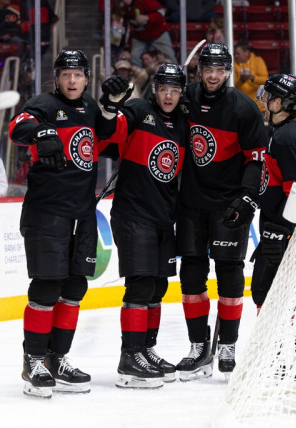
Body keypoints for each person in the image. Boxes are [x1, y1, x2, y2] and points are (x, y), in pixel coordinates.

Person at [7, 49, 127, 397]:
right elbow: (18, 126)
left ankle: (58, 358)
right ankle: (34, 361)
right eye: (66, 74)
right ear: (56, 78)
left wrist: (110, 104)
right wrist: (40, 131)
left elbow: (107, 133)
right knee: (47, 285)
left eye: (78, 74)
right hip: (47, 212)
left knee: (74, 288)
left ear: (86, 78)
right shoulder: (43, 103)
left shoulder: (90, 107)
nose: (72, 80)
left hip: (83, 212)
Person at [176, 43, 268, 381]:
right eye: (208, 69)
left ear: (228, 72)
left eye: (220, 69)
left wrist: (247, 199)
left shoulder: (244, 109)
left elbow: (257, 160)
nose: (213, 76)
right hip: (190, 203)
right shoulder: (184, 99)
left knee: (230, 272)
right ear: (200, 70)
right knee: (191, 275)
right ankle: (199, 346)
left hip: (228, 204)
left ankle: (227, 344)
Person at [104, 64, 190, 388]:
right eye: (164, 88)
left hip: (163, 217)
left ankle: (146, 349)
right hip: (133, 213)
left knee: (157, 287)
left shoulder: (181, 124)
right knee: (140, 285)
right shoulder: (139, 110)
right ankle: (130, 356)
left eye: (175, 90)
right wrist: (111, 104)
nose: (168, 95)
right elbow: (113, 128)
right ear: (155, 88)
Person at [251, 74, 296, 313]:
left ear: (279, 103)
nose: (264, 99)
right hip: (279, 228)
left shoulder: (290, 137)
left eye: (268, 96)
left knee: (285, 294)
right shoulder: (284, 132)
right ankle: (283, 349)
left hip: (286, 233)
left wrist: (282, 232)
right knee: (270, 291)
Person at [124, 0, 178, 68]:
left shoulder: (146, 1)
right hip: (140, 36)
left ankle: (177, 76)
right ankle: (139, 76)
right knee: (135, 57)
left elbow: (162, 11)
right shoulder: (122, 6)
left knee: (170, 56)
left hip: (157, 33)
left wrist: (147, 17)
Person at [233, 41, 269, 112]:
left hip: (259, 107)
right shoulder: (233, 63)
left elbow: (266, 80)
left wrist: (252, 78)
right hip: (241, 107)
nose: (236, 56)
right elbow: (232, 84)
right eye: (235, 53)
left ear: (246, 53)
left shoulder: (258, 61)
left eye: (238, 53)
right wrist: (241, 80)